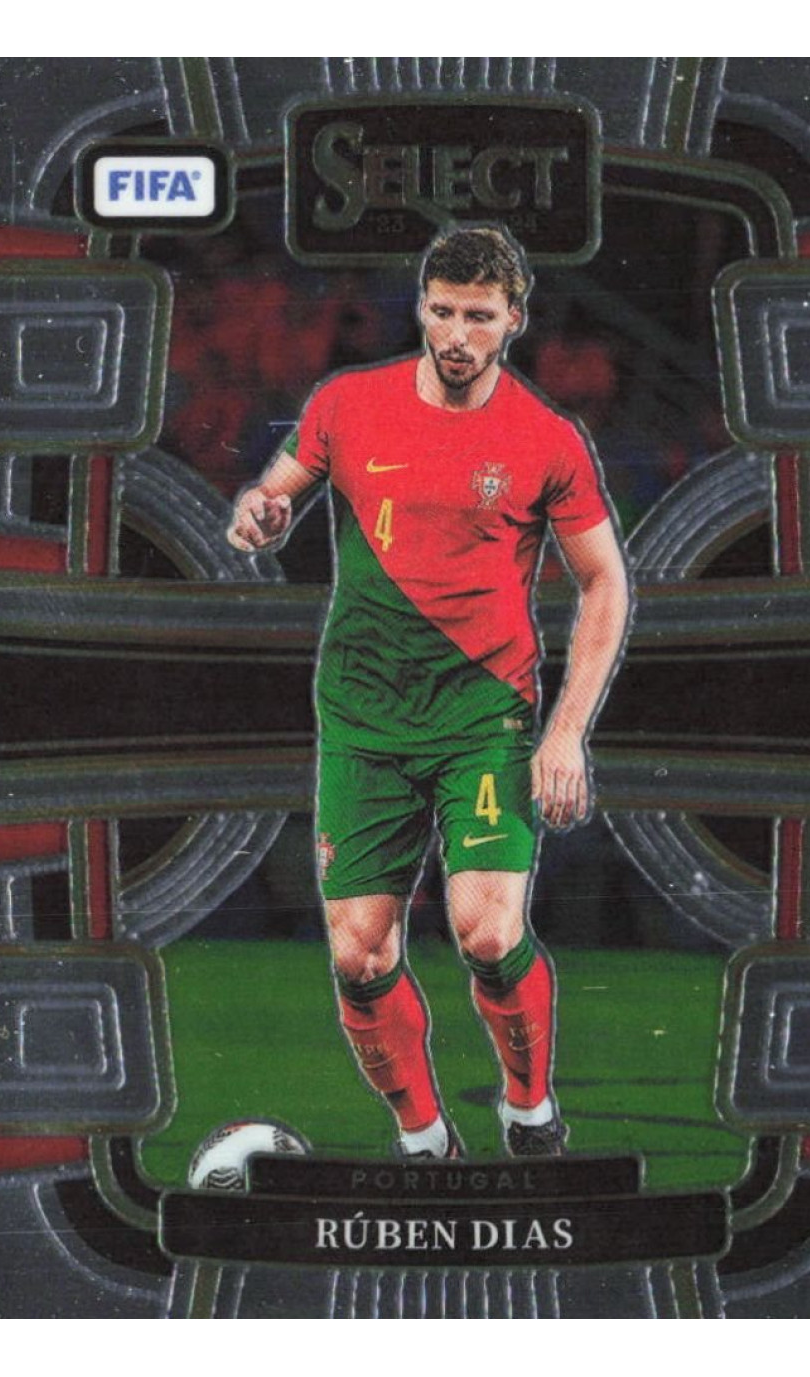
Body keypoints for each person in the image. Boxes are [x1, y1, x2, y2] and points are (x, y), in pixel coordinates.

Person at [227, 226, 630, 1159]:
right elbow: (278, 486)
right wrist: (263, 508)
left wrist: (565, 732)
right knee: (359, 953)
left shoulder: (546, 440)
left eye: (478, 317)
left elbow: (605, 582)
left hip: (483, 714)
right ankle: (424, 1142)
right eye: (442, 311)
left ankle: (529, 1111)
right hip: (363, 716)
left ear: (514, 319)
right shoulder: (347, 403)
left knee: (487, 932)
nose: (456, 334)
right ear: (420, 306)